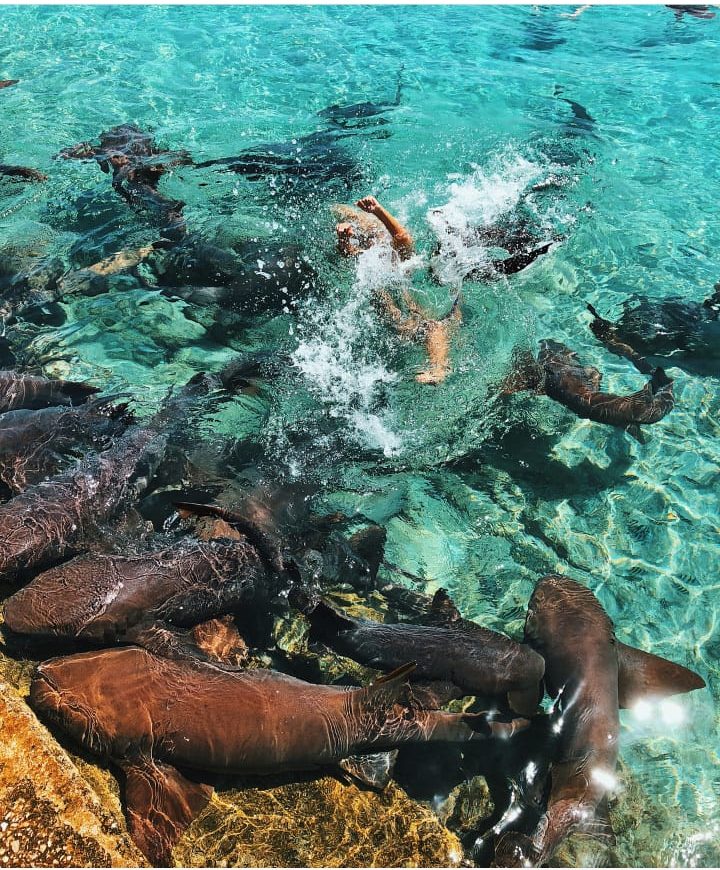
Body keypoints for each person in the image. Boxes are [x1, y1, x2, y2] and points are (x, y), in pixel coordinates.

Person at [335, 195, 461, 385]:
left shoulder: (400, 254)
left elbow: (402, 237)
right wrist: (344, 241)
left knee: (430, 327)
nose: (372, 241)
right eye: (366, 238)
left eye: (374, 235)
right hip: (398, 310)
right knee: (391, 307)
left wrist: (378, 211)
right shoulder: (370, 256)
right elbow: (350, 257)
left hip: (423, 308)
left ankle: (439, 369)